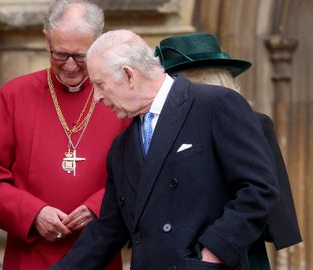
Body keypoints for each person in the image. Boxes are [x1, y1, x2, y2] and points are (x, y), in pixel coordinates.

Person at [50, 29, 280, 270]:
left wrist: (212, 254)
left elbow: (258, 189)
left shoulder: (215, 105)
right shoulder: (121, 147)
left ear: (129, 75)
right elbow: (108, 229)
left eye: (99, 84)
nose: (95, 97)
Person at [0, 0, 129, 269]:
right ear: (47, 40)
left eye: (80, 56)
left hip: (99, 253)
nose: (70, 66)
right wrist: (33, 214)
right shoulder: (14, 96)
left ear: (99, 43)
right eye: (60, 54)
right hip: (31, 255)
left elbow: (138, 173)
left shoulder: (121, 99)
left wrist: (98, 207)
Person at [154, 32, 302, 269]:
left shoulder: (254, 123)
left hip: (235, 249)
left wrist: (216, 248)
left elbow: (263, 194)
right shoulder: (153, 130)